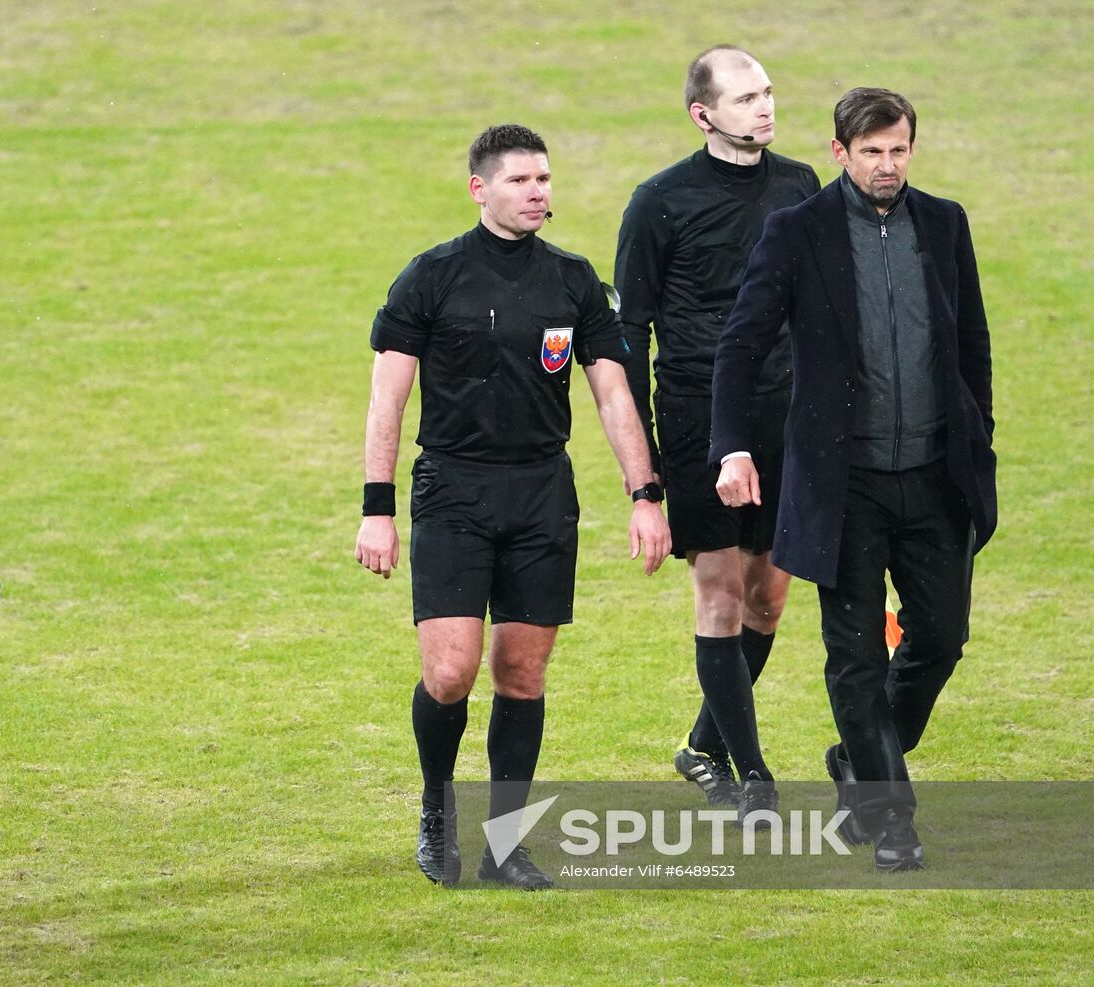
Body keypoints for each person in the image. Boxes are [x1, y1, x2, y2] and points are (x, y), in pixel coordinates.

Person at [355, 124, 670, 889]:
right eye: (522, 180)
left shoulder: (574, 281)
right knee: (453, 671)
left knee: (522, 674)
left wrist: (646, 493)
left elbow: (613, 394)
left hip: (540, 493)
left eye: (544, 180)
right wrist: (377, 507)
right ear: (479, 188)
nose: (538, 192)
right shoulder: (430, 277)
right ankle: (437, 808)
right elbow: (386, 398)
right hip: (452, 490)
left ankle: (504, 840)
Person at [712, 89, 997, 871]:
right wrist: (732, 447)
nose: (887, 164)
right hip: (846, 486)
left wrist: (983, 438)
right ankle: (891, 816)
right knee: (856, 655)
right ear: (840, 153)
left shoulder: (944, 224)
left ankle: (859, 759)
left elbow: (971, 342)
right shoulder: (797, 233)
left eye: (899, 149)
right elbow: (740, 345)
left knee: (940, 640)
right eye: (871, 151)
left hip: (937, 477)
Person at [614, 45, 820, 822]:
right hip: (701, 417)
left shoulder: (800, 186)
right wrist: (646, 466)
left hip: (787, 414)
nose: (764, 108)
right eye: (745, 99)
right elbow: (628, 332)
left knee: (769, 598)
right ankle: (754, 777)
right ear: (703, 115)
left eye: (767, 93)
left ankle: (701, 743)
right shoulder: (659, 203)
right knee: (722, 590)